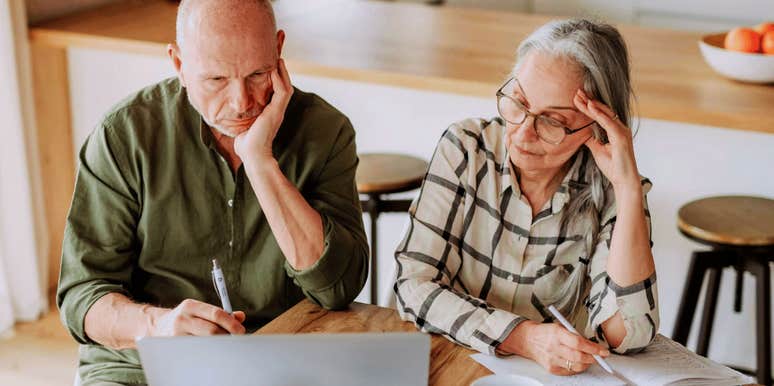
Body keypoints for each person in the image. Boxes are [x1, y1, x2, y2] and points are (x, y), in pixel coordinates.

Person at [57, 1, 369, 384]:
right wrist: (160, 325)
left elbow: (337, 288)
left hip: (276, 356)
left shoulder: (326, 132)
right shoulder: (124, 136)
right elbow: (82, 298)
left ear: (279, 49)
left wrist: (259, 160)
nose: (242, 102)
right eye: (216, 80)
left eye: (258, 73)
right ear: (179, 64)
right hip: (143, 363)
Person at [394, 19, 658, 376]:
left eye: (552, 121)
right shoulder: (467, 150)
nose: (522, 132)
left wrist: (627, 191)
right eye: (518, 102)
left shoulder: (614, 189)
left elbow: (628, 336)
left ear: (594, 127)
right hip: (444, 360)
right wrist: (523, 338)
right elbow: (412, 285)